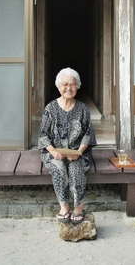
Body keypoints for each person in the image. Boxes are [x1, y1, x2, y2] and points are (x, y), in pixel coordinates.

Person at [38, 67, 97, 224]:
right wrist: (52, 151)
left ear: (77, 86)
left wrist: (78, 152)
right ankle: (64, 206)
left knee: (75, 168)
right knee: (58, 169)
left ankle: (78, 207)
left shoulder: (83, 109)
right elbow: (43, 134)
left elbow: (88, 134)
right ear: (59, 86)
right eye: (65, 84)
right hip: (55, 152)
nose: (68, 88)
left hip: (78, 152)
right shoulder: (50, 108)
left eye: (72, 84)